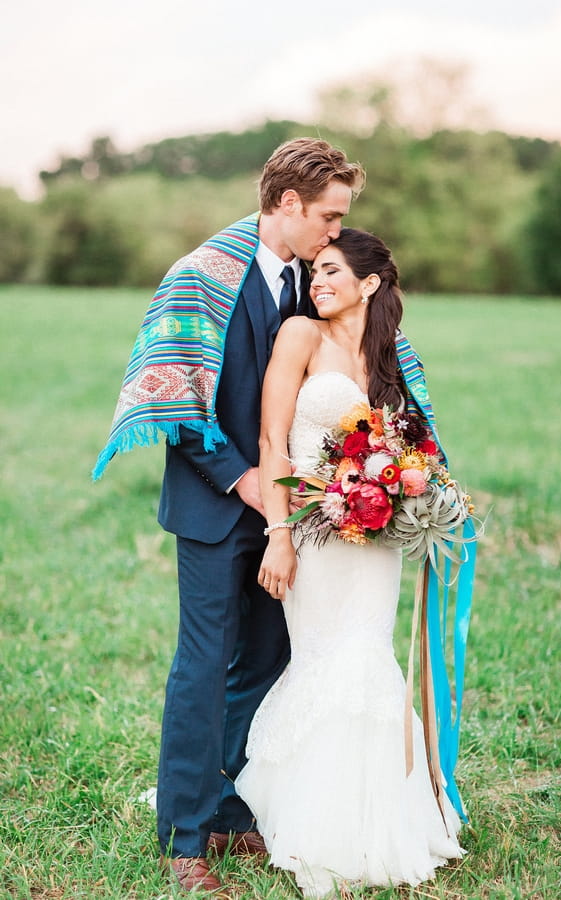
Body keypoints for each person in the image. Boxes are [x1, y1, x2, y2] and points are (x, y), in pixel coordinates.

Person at [92, 139, 365, 896]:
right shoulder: (201, 274)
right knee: (204, 667)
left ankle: (231, 807)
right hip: (216, 508)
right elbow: (175, 399)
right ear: (287, 203)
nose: (336, 233)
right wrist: (242, 478)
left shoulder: (316, 284)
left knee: (269, 661)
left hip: (294, 516)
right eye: (329, 215)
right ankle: (184, 836)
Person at [235, 228, 466, 897]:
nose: (318, 283)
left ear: (370, 282)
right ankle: (309, 822)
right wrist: (278, 533)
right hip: (312, 534)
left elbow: (417, 448)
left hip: (377, 542)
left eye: (332, 270)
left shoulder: (393, 359)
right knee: (324, 659)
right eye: (314, 272)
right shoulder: (299, 336)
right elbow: (271, 438)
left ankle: (381, 824)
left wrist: (416, 495)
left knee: (370, 657)